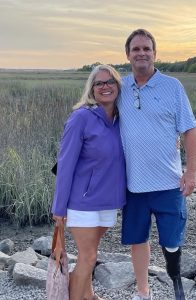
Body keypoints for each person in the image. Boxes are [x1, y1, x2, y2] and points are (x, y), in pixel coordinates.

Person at [117, 29, 196, 300]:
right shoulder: (120, 87)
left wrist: (190, 172)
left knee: (172, 242)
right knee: (138, 240)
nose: (141, 53)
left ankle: (176, 282)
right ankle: (143, 292)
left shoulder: (172, 86)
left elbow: (189, 130)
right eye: (136, 49)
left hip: (168, 182)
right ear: (128, 54)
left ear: (155, 53)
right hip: (134, 184)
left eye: (146, 49)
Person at [52, 65, 126, 300]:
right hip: (82, 202)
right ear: (91, 89)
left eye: (110, 81)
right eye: (99, 83)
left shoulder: (121, 120)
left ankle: (88, 295)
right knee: (88, 257)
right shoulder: (81, 117)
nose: (105, 87)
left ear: (118, 86)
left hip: (107, 201)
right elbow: (65, 164)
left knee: (90, 253)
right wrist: (59, 209)